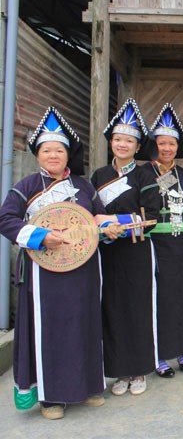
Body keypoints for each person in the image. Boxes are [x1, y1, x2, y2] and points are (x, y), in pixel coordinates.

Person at [0, 108, 122, 419]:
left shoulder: (84, 187)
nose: (53, 155)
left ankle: (88, 387)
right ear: (37, 155)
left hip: (84, 270)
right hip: (45, 274)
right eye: (46, 150)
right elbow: (6, 220)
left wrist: (108, 227)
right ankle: (51, 397)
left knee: (84, 324)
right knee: (52, 330)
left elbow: (96, 218)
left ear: (68, 154)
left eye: (58, 150)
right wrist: (41, 236)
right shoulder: (25, 187)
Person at [90, 98, 160, 396]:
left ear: (137, 145)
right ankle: (118, 371)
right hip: (107, 251)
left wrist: (116, 221)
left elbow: (152, 216)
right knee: (112, 308)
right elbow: (91, 214)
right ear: (111, 142)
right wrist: (104, 227)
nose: (122, 144)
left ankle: (139, 369)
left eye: (129, 140)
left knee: (136, 308)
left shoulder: (145, 175)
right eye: (118, 139)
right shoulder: (99, 176)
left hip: (136, 251)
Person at [143, 103, 183, 378]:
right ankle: (160, 353)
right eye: (162, 143)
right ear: (154, 145)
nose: (167, 148)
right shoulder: (144, 174)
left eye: (172, 144)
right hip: (158, 245)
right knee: (162, 298)